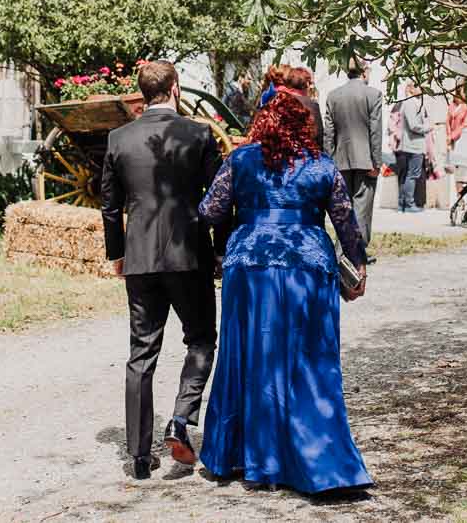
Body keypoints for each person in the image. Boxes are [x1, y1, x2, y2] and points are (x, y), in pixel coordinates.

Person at [197, 91, 373, 494]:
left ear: (263, 122)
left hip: (250, 266)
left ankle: (239, 456)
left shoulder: (240, 161)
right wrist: (358, 265)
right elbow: (347, 222)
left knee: (248, 356)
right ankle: (320, 462)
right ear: (304, 126)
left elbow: (210, 211)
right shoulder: (321, 166)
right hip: (307, 267)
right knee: (309, 361)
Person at [100, 60, 225, 480]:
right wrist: (221, 248)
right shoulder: (199, 134)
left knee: (141, 352)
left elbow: (109, 204)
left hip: (139, 259)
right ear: (175, 88)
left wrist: (116, 252)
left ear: (142, 92)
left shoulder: (118, 138)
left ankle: (138, 456)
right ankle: (181, 417)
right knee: (202, 339)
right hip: (189, 254)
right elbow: (219, 199)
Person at [323, 60, 383, 255]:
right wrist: (376, 161)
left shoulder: (333, 96)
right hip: (366, 160)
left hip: (340, 161)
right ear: (364, 71)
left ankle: (343, 252)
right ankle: (355, 253)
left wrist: (329, 161)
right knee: (362, 209)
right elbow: (375, 132)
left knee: (344, 208)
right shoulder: (373, 95)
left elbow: (328, 134)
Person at [395, 82, 430, 213]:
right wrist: (428, 127)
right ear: (411, 88)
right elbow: (414, 125)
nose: (421, 88)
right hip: (413, 145)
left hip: (412, 144)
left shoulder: (415, 102)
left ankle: (403, 204)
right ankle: (408, 204)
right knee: (412, 175)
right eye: (418, 86)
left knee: (408, 175)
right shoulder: (410, 103)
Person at [281, 65, 325, 148]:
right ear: (306, 84)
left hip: (286, 152)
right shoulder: (312, 105)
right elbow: (319, 134)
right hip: (308, 151)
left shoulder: (281, 101)